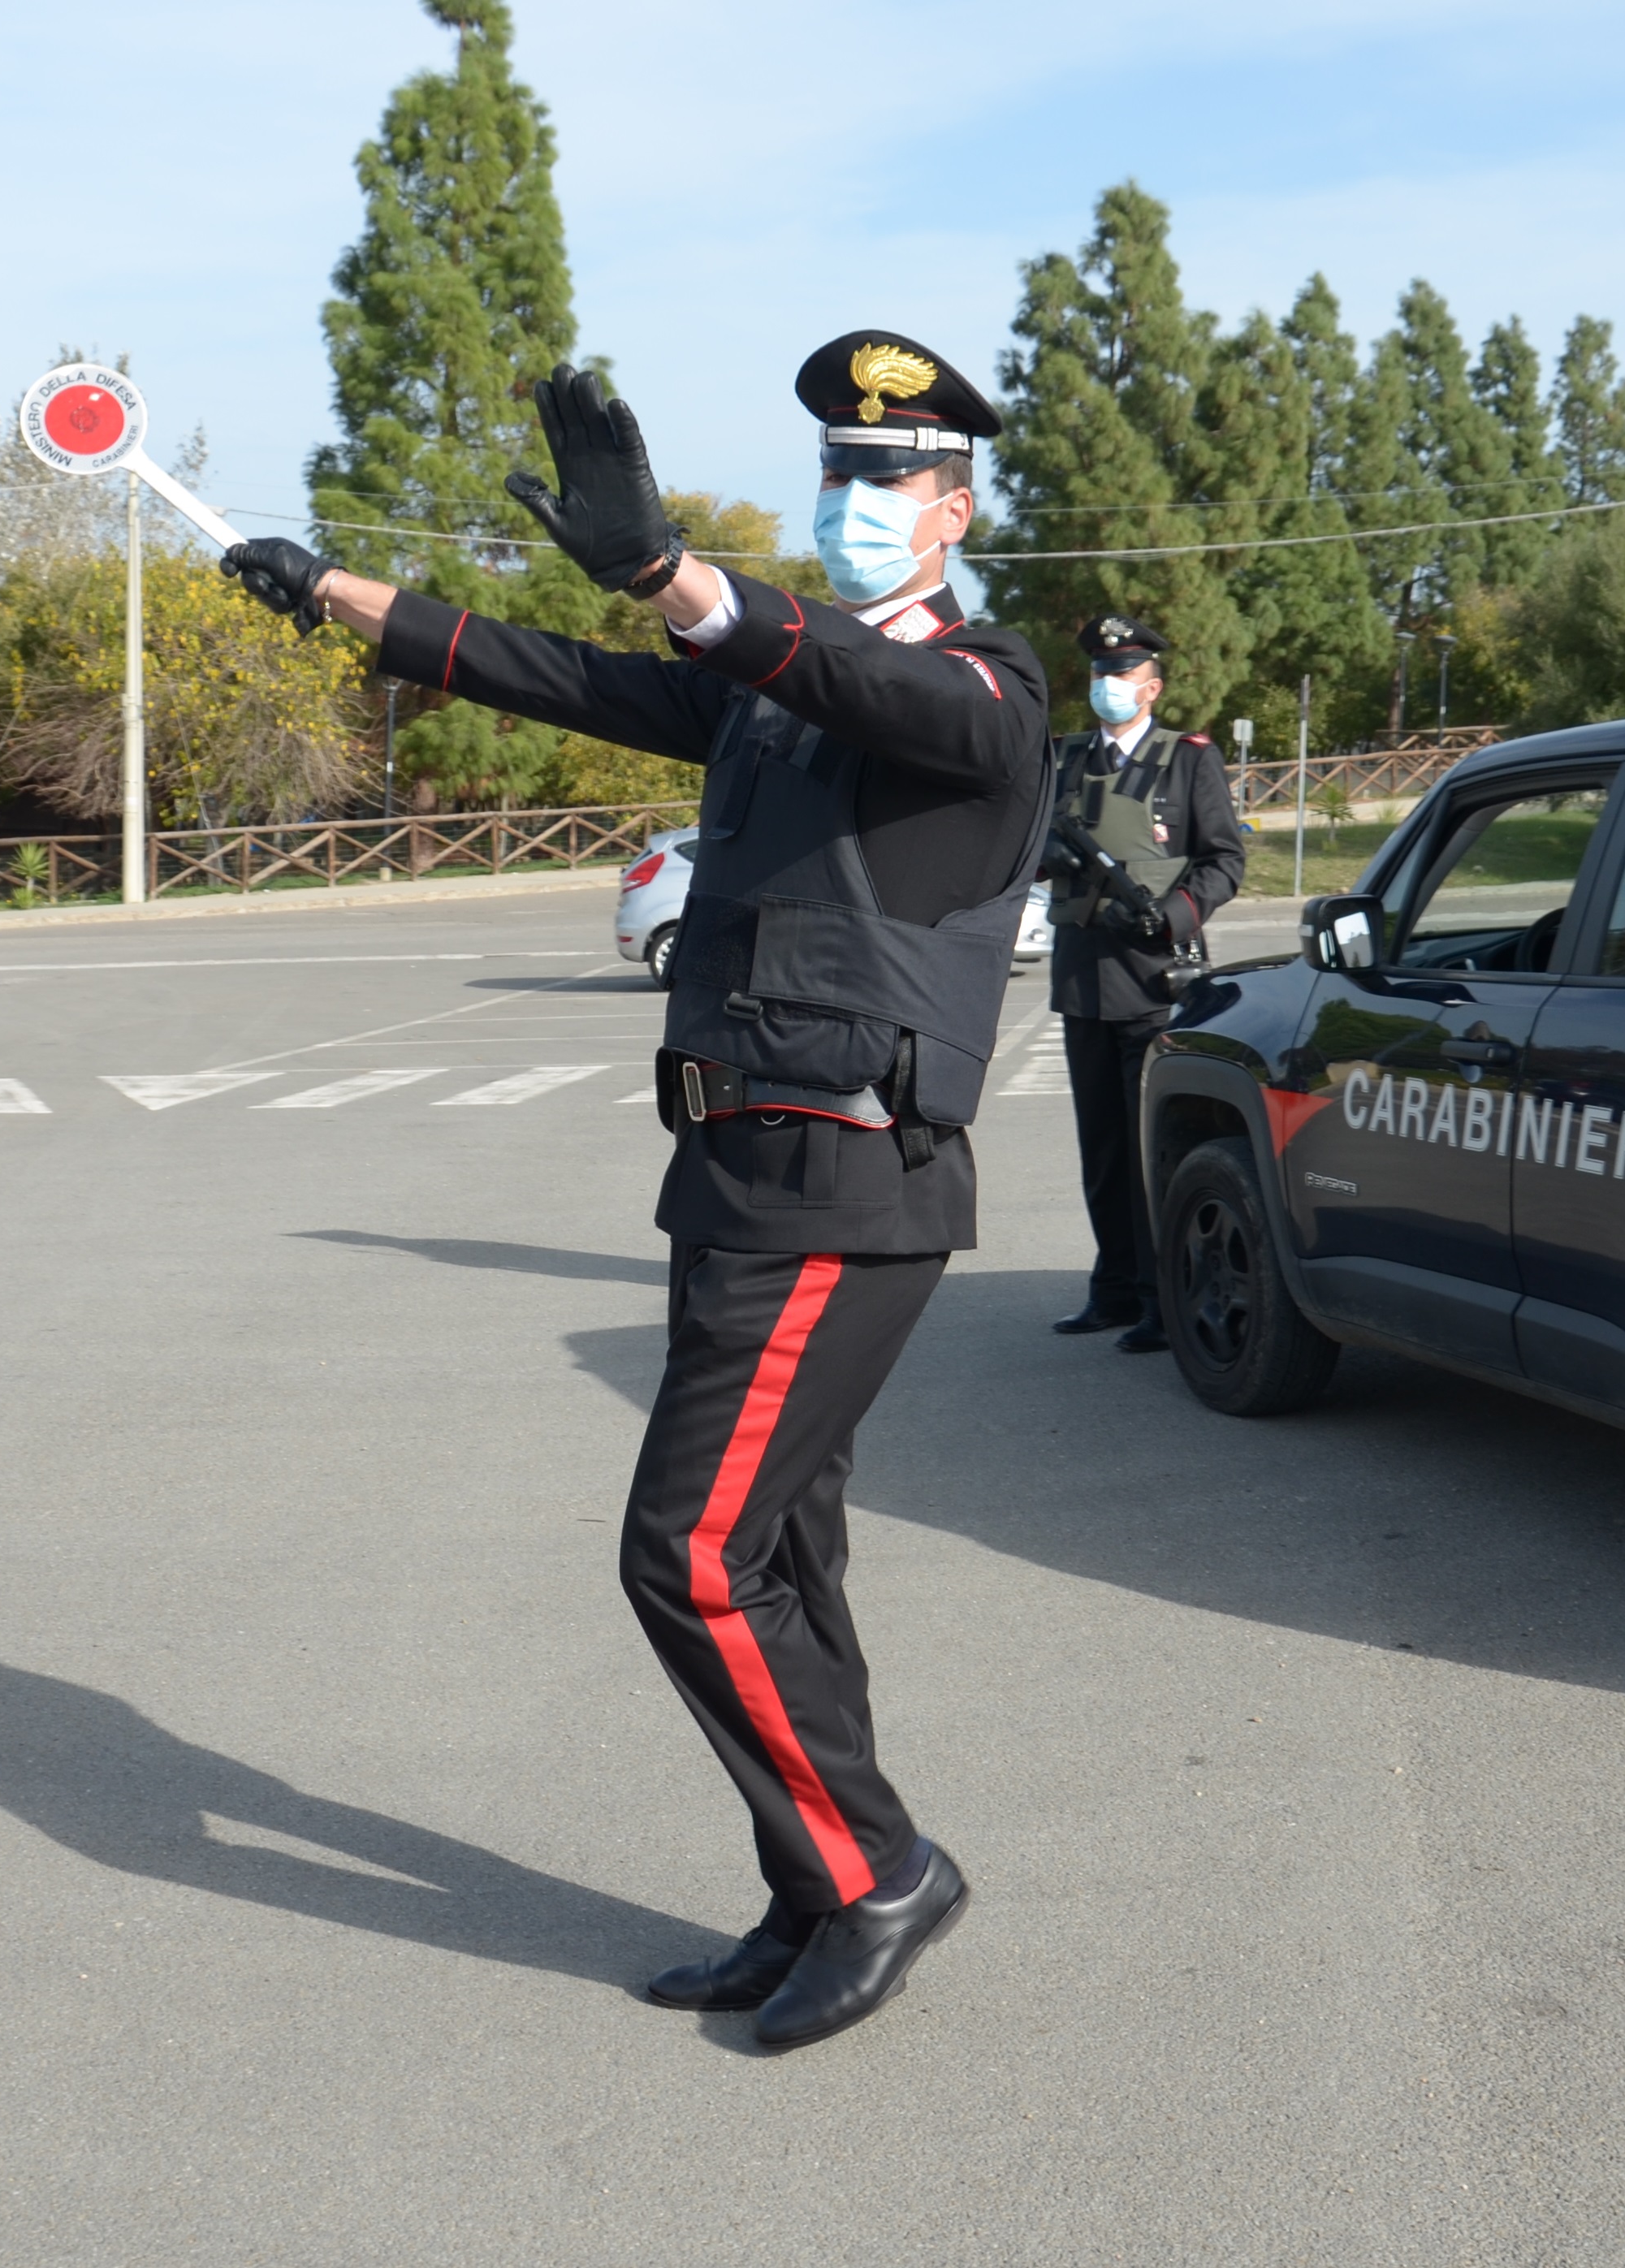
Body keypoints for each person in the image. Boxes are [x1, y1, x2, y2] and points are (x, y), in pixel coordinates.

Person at [220, 333, 1048, 2051]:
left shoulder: (982, 688)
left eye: (891, 478)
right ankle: (812, 1881)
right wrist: (330, 596)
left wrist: (677, 572)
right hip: (733, 1168)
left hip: (848, 1178)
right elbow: (542, 673)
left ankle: (882, 1870)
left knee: (685, 1550)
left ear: (958, 504)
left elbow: (854, 684)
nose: (857, 502)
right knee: (785, 1557)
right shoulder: (770, 688)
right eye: (837, 473)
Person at [1041, 614, 1246, 1351]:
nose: (1106, 684)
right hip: (1082, 981)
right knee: (1100, 1149)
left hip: (1156, 983)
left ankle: (1164, 1298)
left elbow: (1223, 860)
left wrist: (1173, 915)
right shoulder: (1066, 758)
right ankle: (1113, 1288)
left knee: (1149, 1151)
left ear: (1151, 687)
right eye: (1099, 672)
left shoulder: (1189, 760)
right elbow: (1032, 848)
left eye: (1120, 674)